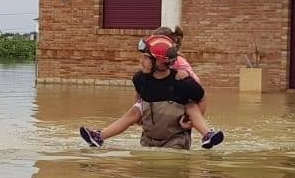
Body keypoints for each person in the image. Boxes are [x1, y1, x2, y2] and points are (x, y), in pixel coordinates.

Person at [79, 31, 224, 149]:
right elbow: (138, 96)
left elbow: (202, 98)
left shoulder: (183, 83)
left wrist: (190, 122)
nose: (141, 61)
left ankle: (207, 134)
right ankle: (99, 137)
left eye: (145, 58)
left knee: (191, 106)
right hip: (148, 140)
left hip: (175, 141)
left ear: (160, 61)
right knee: (135, 110)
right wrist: (140, 114)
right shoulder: (140, 79)